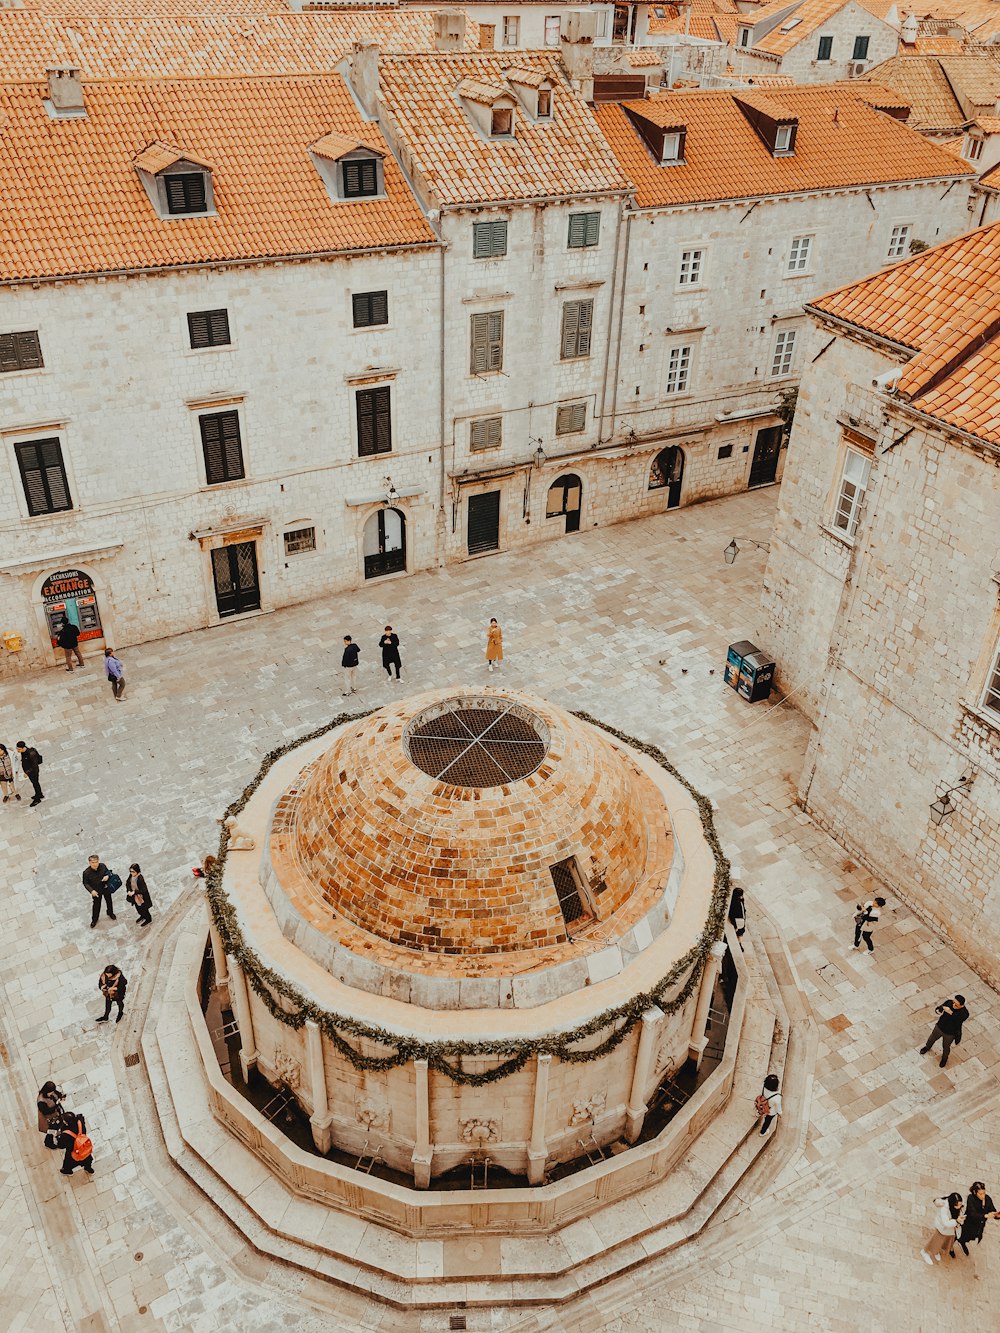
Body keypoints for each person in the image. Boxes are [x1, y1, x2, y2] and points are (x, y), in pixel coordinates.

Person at [919, 994, 969, 1068]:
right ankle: (927, 1047)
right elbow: (940, 1008)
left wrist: (951, 1012)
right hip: (940, 1027)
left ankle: (944, 1059)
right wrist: (940, 1009)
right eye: (953, 1002)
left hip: (950, 1033)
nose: (953, 1004)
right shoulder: (949, 1002)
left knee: (946, 1047)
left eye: (956, 1004)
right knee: (931, 1038)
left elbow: (958, 1021)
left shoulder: (964, 1013)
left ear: (961, 1005)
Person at [956, 1182, 999, 1263]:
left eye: (984, 1193)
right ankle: (961, 1242)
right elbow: (972, 1214)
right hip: (969, 1224)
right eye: (981, 1194)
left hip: (980, 1225)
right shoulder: (971, 1198)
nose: (983, 1196)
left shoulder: (988, 1199)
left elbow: (993, 1210)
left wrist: (996, 1215)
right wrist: (985, 1216)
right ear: (975, 1192)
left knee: (975, 1236)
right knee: (965, 1236)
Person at [921, 1193, 963, 1264]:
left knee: (944, 1242)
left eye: (960, 1204)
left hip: (950, 1230)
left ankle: (936, 1252)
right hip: (942, 1229)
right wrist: (956, 1221)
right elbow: (945, 1223)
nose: (960, 1207)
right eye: (958, 1205)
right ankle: (925, 1252)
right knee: (935, 1242)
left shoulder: (956, 1207)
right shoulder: (944, 1209)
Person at [83, 854, 117, 928]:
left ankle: (110, 912)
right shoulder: (86, 873)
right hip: (96, 891)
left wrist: (107, 876)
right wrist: (92, 891)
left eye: (96, 862)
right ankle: (94, 919)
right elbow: (85, 883)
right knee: (96, 905)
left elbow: (108, 872)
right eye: (93, 862)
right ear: (89, 863)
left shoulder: (102, 866)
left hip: (105, 887)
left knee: (109, 901)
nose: (95, 864)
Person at [57, 1111, 94, 1175]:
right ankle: (88, 1168)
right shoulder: (80, 1122)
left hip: (73, 1150)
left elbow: (61, 1145)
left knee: (68, 1162)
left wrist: (58, 1137)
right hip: (83, 1147)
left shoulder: (66, 1134)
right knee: (87, 1159)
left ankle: (67, 1171)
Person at [36, 1081, 65, 1148]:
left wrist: (61, 1096)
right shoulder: (41, 1101)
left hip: (56, 1114)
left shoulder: (51, 1092)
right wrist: (56, 1105)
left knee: (57, 1126)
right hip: (49, 1118)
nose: (52, 1093)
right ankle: (48, 1142)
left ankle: (57, 1135)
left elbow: (57, 1093)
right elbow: (46, 1112)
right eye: (51, 1092)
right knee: (51, 1130)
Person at [16, 741, 44, 806]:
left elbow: (35, 766)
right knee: (35, 783)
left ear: (23, 748)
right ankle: (39, 794)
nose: (17, 750)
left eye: (19, 749)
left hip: (33, 772)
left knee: (35, 784)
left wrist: (27, 772)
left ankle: (37, 799)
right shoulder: (23, 752)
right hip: (29, 772)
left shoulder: (31, 754)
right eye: (17, 748)